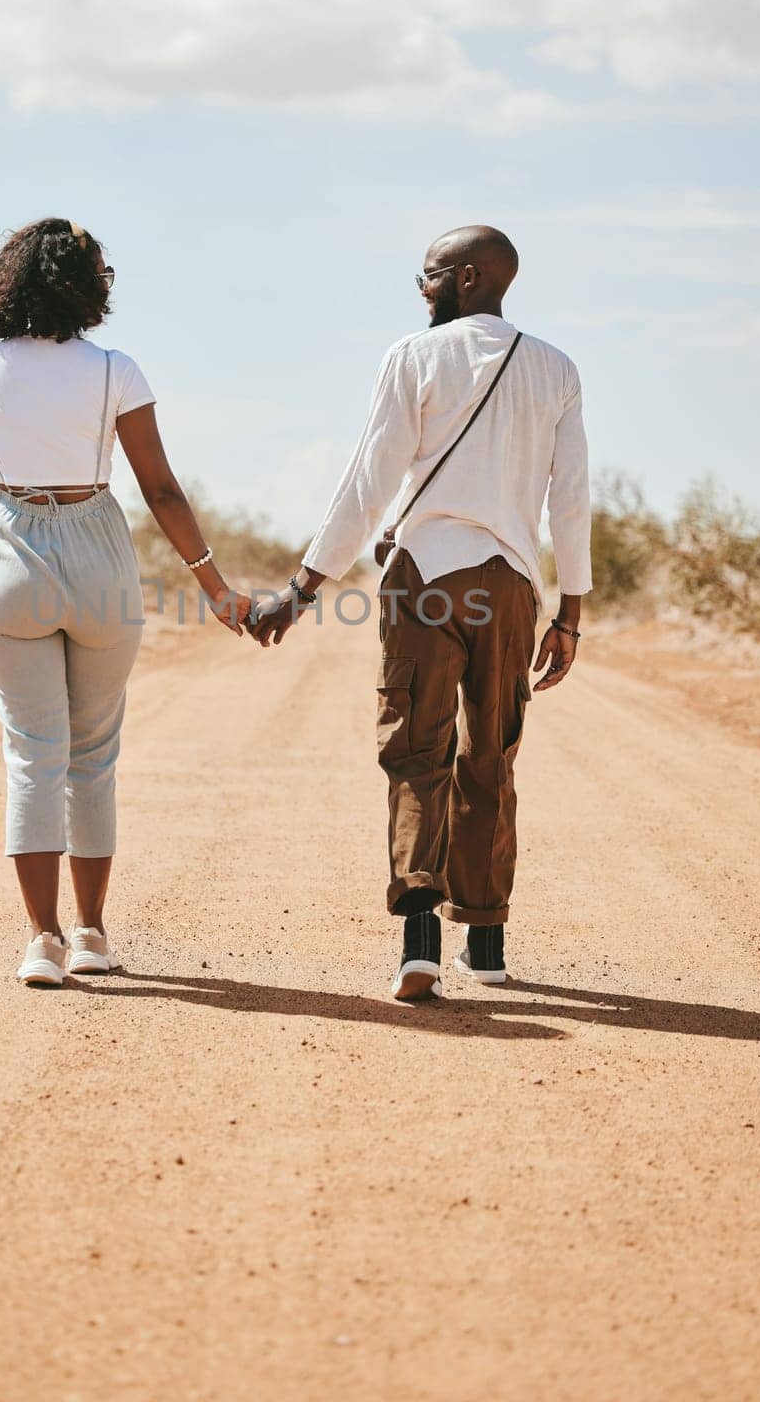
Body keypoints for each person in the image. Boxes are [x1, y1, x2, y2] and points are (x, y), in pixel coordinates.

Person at [250, 226, 592, 1001]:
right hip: (508, 587)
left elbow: (367, 479)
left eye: (430, 274)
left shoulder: (412, 356)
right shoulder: (556, 369)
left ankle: (419, 940)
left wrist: (301, 592)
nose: (421, 286)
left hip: (424, 579)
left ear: (468, 278)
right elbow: (569, 500)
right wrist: (568, 613)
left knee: (416, 751)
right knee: (491, 754)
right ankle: (488, 939)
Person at [0, 217, 252, 987]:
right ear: (89, 286)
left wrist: (3, 567)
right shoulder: (116, 369)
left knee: (31, 755)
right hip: (98, 553)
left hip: (14, 548)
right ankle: (89, 933)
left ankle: (39, 941)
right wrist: (214, 586)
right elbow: (158, 488)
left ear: (7, 279)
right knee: (92, 757)